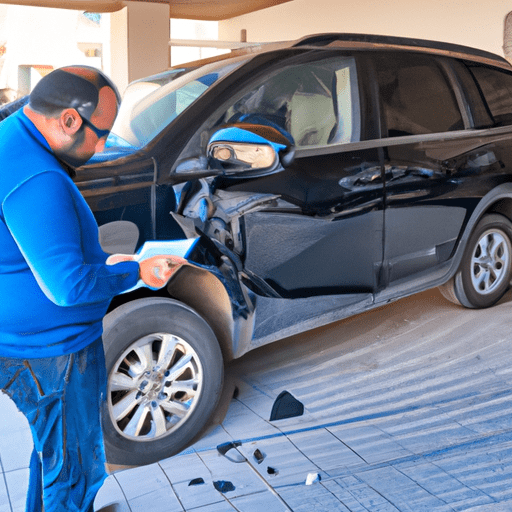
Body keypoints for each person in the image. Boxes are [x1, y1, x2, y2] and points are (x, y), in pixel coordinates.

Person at [0, 66, 185, 512]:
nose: (103, 145)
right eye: (99, 133)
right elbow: (67, 286)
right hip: (52, 352)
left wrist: (103, 261)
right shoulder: (39, 178)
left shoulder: (12, 132)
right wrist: (137, 273)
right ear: (67, 120)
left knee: (54, 453)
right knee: (74, 469)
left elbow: (38, 249)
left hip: (22, 339)